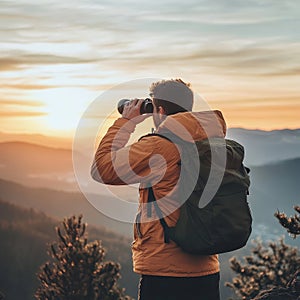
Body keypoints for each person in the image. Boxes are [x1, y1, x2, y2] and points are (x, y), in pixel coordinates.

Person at [91, 79, 227, 300]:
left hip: (165, 270)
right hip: (206, 267)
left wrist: (126, 122)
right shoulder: (211, 141)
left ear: (160, 110)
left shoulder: (160, 146)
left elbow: (102, 169)